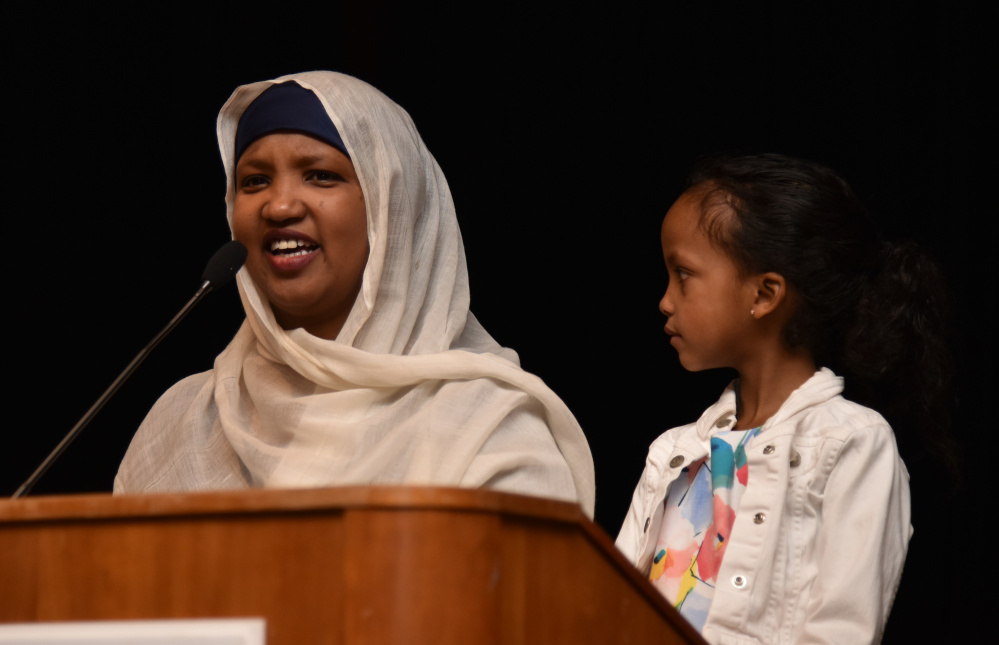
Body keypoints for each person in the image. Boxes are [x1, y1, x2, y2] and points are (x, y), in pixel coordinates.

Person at [114, 71, 595, 516]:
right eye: (254, 181)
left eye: (320, 175)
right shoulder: (185, 421)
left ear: (393, 211)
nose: (279, 205)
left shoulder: (488, 429)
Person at [616, 153, 954, 643]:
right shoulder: (671, 453)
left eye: (683, 274)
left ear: (765, 293)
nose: (665, 300)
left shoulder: (851, 444)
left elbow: (841, 629)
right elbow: (608, 602)